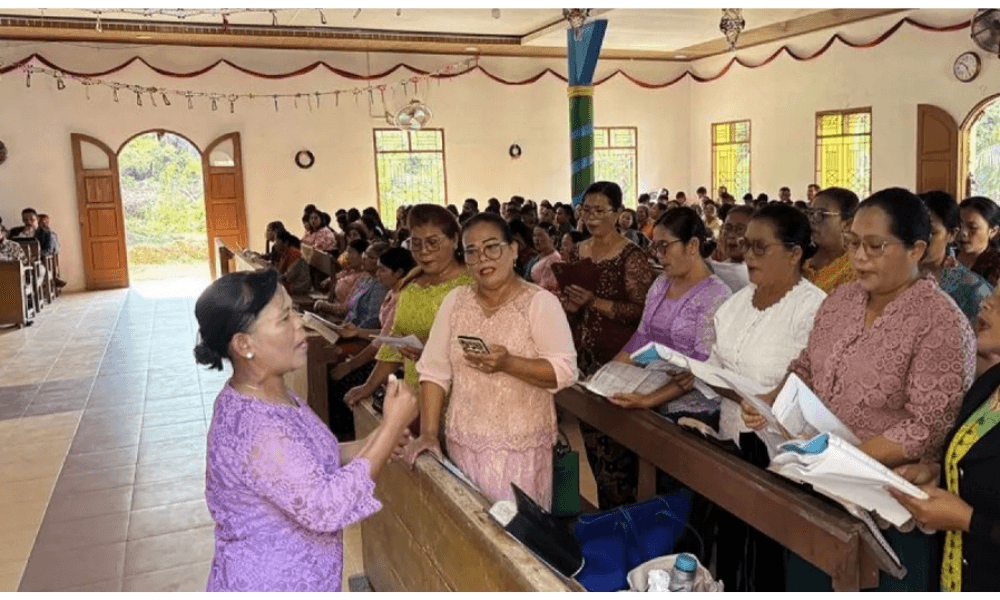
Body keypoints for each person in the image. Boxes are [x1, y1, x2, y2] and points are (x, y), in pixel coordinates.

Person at [743, 188, 976, 592]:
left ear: (916, 249)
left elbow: (928, 425)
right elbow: (807, 365)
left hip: (885, 506)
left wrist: (840, 460)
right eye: (853, 244)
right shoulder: (841, 300)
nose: (859, 257)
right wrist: (771, 401)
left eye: (875, 246)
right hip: (819, 489)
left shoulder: (939, 322)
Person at [194, 270, 418, 592]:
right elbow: (325, 507)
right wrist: (391, 428)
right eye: (285, 318)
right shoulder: (258, 428)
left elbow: (306, 459)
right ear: (244, 344)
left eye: (295, 311)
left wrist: (372, 442)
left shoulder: (271, 394)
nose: (300, 322)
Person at [402, 213, 577, 509]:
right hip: (464, 443)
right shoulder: (455, 301)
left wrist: (509, 364)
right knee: (466, 527)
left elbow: (564, 371)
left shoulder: (539, 302)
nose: (482, 258)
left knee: (514, 531)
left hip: (520, 449)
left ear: (513, 250)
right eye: (471, 251)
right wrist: (429, 434)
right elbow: (433, 371)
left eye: (492, 247)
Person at [706, 203, 827, 592]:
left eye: (760, 247)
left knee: (767, 561)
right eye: (746, 245)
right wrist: (698, 375)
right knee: (732, 548)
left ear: (794, 253)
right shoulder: (737, 303)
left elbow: (815, 380)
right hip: (732, 440)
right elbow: (716, 368)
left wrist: (766, 401)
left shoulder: (812, 308)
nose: (748, 255)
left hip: (781, 454)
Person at [890, 284, 1000, 592]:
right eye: (992, 295)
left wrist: (967, 520)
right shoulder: (990, 383)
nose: (985, 303)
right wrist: (936, 475)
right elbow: (977, 468)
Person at [346, 205, 473, 409]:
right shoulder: (412, 282)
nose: (423, 251)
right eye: (416, 243)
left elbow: (476, 344)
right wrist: (369, 386)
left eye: (432, 242)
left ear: (455, 240)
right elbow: (395, 345)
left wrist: (433, 347)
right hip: (417, 393)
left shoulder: (471, 285)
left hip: (457, 398)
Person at [562, 181, 656, 377]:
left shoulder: (631, 255)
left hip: (618, 354)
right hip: (577, 348)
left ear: (617, 213)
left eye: (599, 211)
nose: (591, 218)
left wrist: (593, 302)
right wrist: (569, 305)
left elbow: (640, 311)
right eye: (586, 210)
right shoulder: (577, 251)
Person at [328, 248, 417, 441]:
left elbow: (383, 342)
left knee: (344, 382)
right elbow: (385, 334)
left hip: (400, 362)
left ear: (399, 272)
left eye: (382, 270)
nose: (378, 274)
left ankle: (349, 437)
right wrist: (358, 332)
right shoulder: (392, 293)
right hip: (390, 352)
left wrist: (350, 365)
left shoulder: (405, 297)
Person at [919, 191, 993, 324]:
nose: (920, 240)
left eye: (931, 232)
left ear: (952, 234)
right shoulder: (891, 278)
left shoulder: (975, 290)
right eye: (913, 231)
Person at [803, 186, 859, 293]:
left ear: (847, 224)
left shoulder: (853, 272)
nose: (812, 220)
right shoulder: (800, 260)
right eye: (811, 213)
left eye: (821, 214)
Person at [314, 240, 368, 319]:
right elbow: (334, 279)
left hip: (340, 317)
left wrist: (324, 305)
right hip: (332, 309)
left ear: (362, 256)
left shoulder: (362, 278)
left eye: (350, 252)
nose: (347, 256)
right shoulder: (350, 271)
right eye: (347, 252)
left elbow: (345, 309)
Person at [707, 205, 753, 293]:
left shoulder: (741, 273)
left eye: (739, 229)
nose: (731, 235)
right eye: (727, 228)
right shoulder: (725, 264)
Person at [958, 196, 1000, 287]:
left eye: (972, 227)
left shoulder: (997, 267)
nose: (962, 232)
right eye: (959, 225)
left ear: (993, 232)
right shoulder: (945, 255)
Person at [273, 230, 311, 296]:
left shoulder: (294, 254)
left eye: (276, 241)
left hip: (298, 286)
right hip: (291, 283)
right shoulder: (284, 252)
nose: (275, 244)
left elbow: (287, 277)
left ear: (285, 243)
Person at [528, 222, 562, 293]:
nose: (536, 239)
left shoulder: (554, 259)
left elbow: (546, 287)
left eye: (540, 235)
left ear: (552, 238)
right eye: (534, 235)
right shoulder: (538, 256)